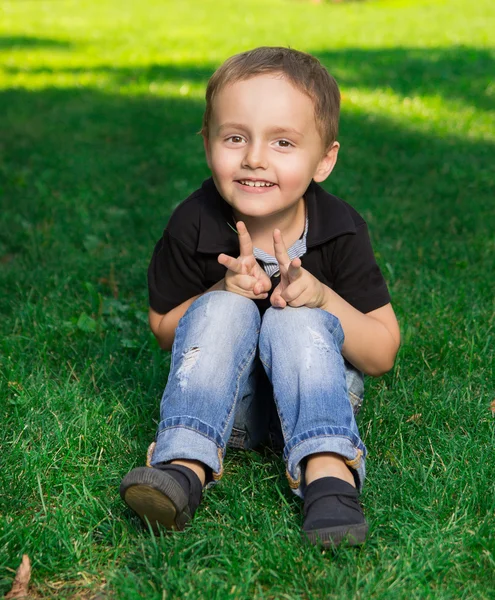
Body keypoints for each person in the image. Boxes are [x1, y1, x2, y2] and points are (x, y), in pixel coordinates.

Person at [120, 46, 400, 547]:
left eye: (283, 143)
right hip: (229, 408)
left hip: (316, 390)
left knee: (295, 318)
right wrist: (219, 289)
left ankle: (328, 474)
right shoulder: (194, 222)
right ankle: (183, 465)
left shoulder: (339, 229)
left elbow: (381, 353)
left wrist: (321, 297)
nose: (254, 158)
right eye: (235, 137)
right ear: (207, 143)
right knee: (225, 308)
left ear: (324, 160)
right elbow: (165, 328)